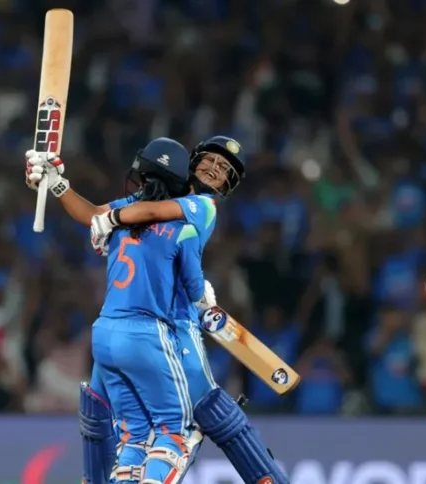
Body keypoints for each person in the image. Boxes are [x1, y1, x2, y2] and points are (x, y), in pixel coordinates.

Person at [26, 136, 288, 484]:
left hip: (139, 326)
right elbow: (93, 214)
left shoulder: (200, 205)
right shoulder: (148, 202)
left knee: (145, 426)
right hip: (158, 329)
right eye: (211, 160)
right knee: (175, 423)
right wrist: (58, 184)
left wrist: (111, 219)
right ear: (191, 162)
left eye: (224, 168)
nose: (215, 168)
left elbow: (138, 214)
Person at [88, 138, 207, 483]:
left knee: (133, 436)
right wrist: (206, 297)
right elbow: (194, 289)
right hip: (146, 334)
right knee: (175, 431)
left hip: (104, 333)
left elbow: (92, 217)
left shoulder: (118, 225)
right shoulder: (185, 227)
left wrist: (57, 185)